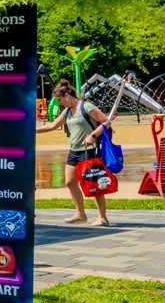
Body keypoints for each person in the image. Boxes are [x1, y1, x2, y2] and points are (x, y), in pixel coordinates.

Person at [40, 81, 112, 226]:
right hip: (74, 150)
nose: (60, 103)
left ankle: (102, 217)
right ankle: (80, 214)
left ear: (67, 96)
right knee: (70, 181)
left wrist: (92, 136)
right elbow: (52, 125)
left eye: (60, 100)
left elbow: (106, 122)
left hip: (90, 150)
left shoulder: (86, 106)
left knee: (94, 183)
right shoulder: (67, 111)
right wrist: (32, 130)